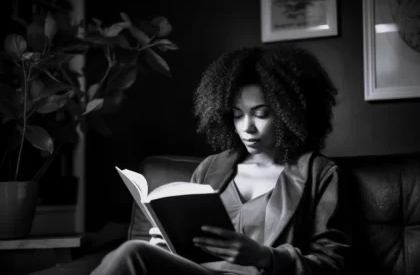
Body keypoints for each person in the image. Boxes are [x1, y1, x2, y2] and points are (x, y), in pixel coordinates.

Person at [90, 45, 352, 275]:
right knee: (139, 253)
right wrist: (167, 246)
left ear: (289, 113)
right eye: (237, 115)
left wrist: (264, 256)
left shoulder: (321, 174)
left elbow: (333, 264)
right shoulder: (211, 168)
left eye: (261, 114)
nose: (247, 127)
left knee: (133, 254)